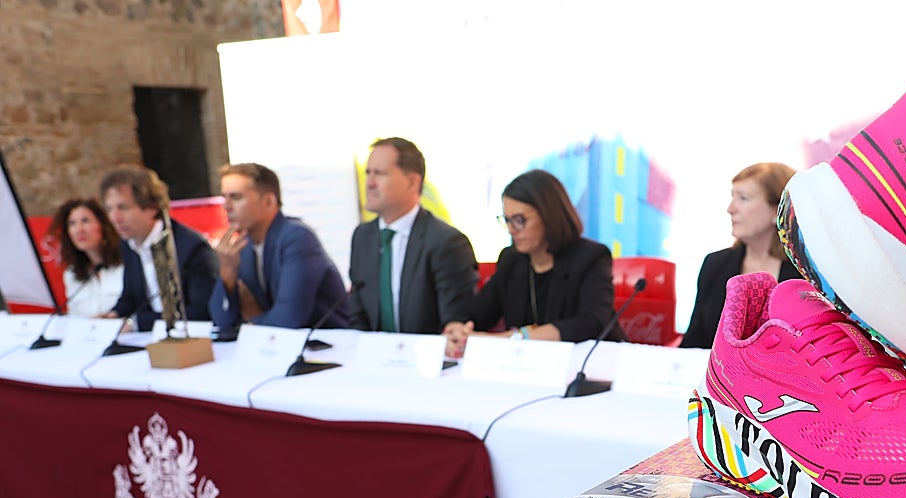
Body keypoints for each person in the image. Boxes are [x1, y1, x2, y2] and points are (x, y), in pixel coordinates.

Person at [443, 169, 624, 356]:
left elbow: (590, 323)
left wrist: (515, 338)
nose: (512, 230)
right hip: (529, 366)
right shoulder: (511, 259)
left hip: (591, 364)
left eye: (519, 220)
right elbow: (478, 313)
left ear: (549, 215)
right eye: (507, 220)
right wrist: (458, 329)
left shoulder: (590, 257)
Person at [347, 137, 477, 334]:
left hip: (426, 360)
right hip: (373, 357)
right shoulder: (363, 237)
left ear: (412, 182)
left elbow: (455, 325)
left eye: (379, 174)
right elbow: (357, 318)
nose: (369, 183)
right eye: (368, 173)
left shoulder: (446, 243)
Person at [210, 162, 348, 330]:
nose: (226, 206)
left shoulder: (297, 237)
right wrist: (227, 274)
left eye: (236, 197)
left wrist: (249, 322)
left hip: (329, 348)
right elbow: (221, 321)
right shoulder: (243, 247)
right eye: (224, 197)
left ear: (268, 201)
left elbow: (288, 319)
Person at [680, 163, 799, 349]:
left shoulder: (806, 275)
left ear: (778, 210)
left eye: (743, 198)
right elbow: (694, 342)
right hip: (717, 376)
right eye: (732, 197)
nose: (730, 208)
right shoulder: (715, 264)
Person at [101, 166, 218, 331]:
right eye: (109, 209)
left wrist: (137, 323)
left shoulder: (191, 247)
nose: (114, 218)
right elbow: (131, 297)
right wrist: (113, 316)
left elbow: (202, 312)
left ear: (151, 207)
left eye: (123, 208)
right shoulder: (129, 244)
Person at [49, 197, 124, 317]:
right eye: (72, 223)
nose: (79, 230)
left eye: (85, 221)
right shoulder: (71, 274)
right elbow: (74, 319)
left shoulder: (126, 264)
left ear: (103, 225)